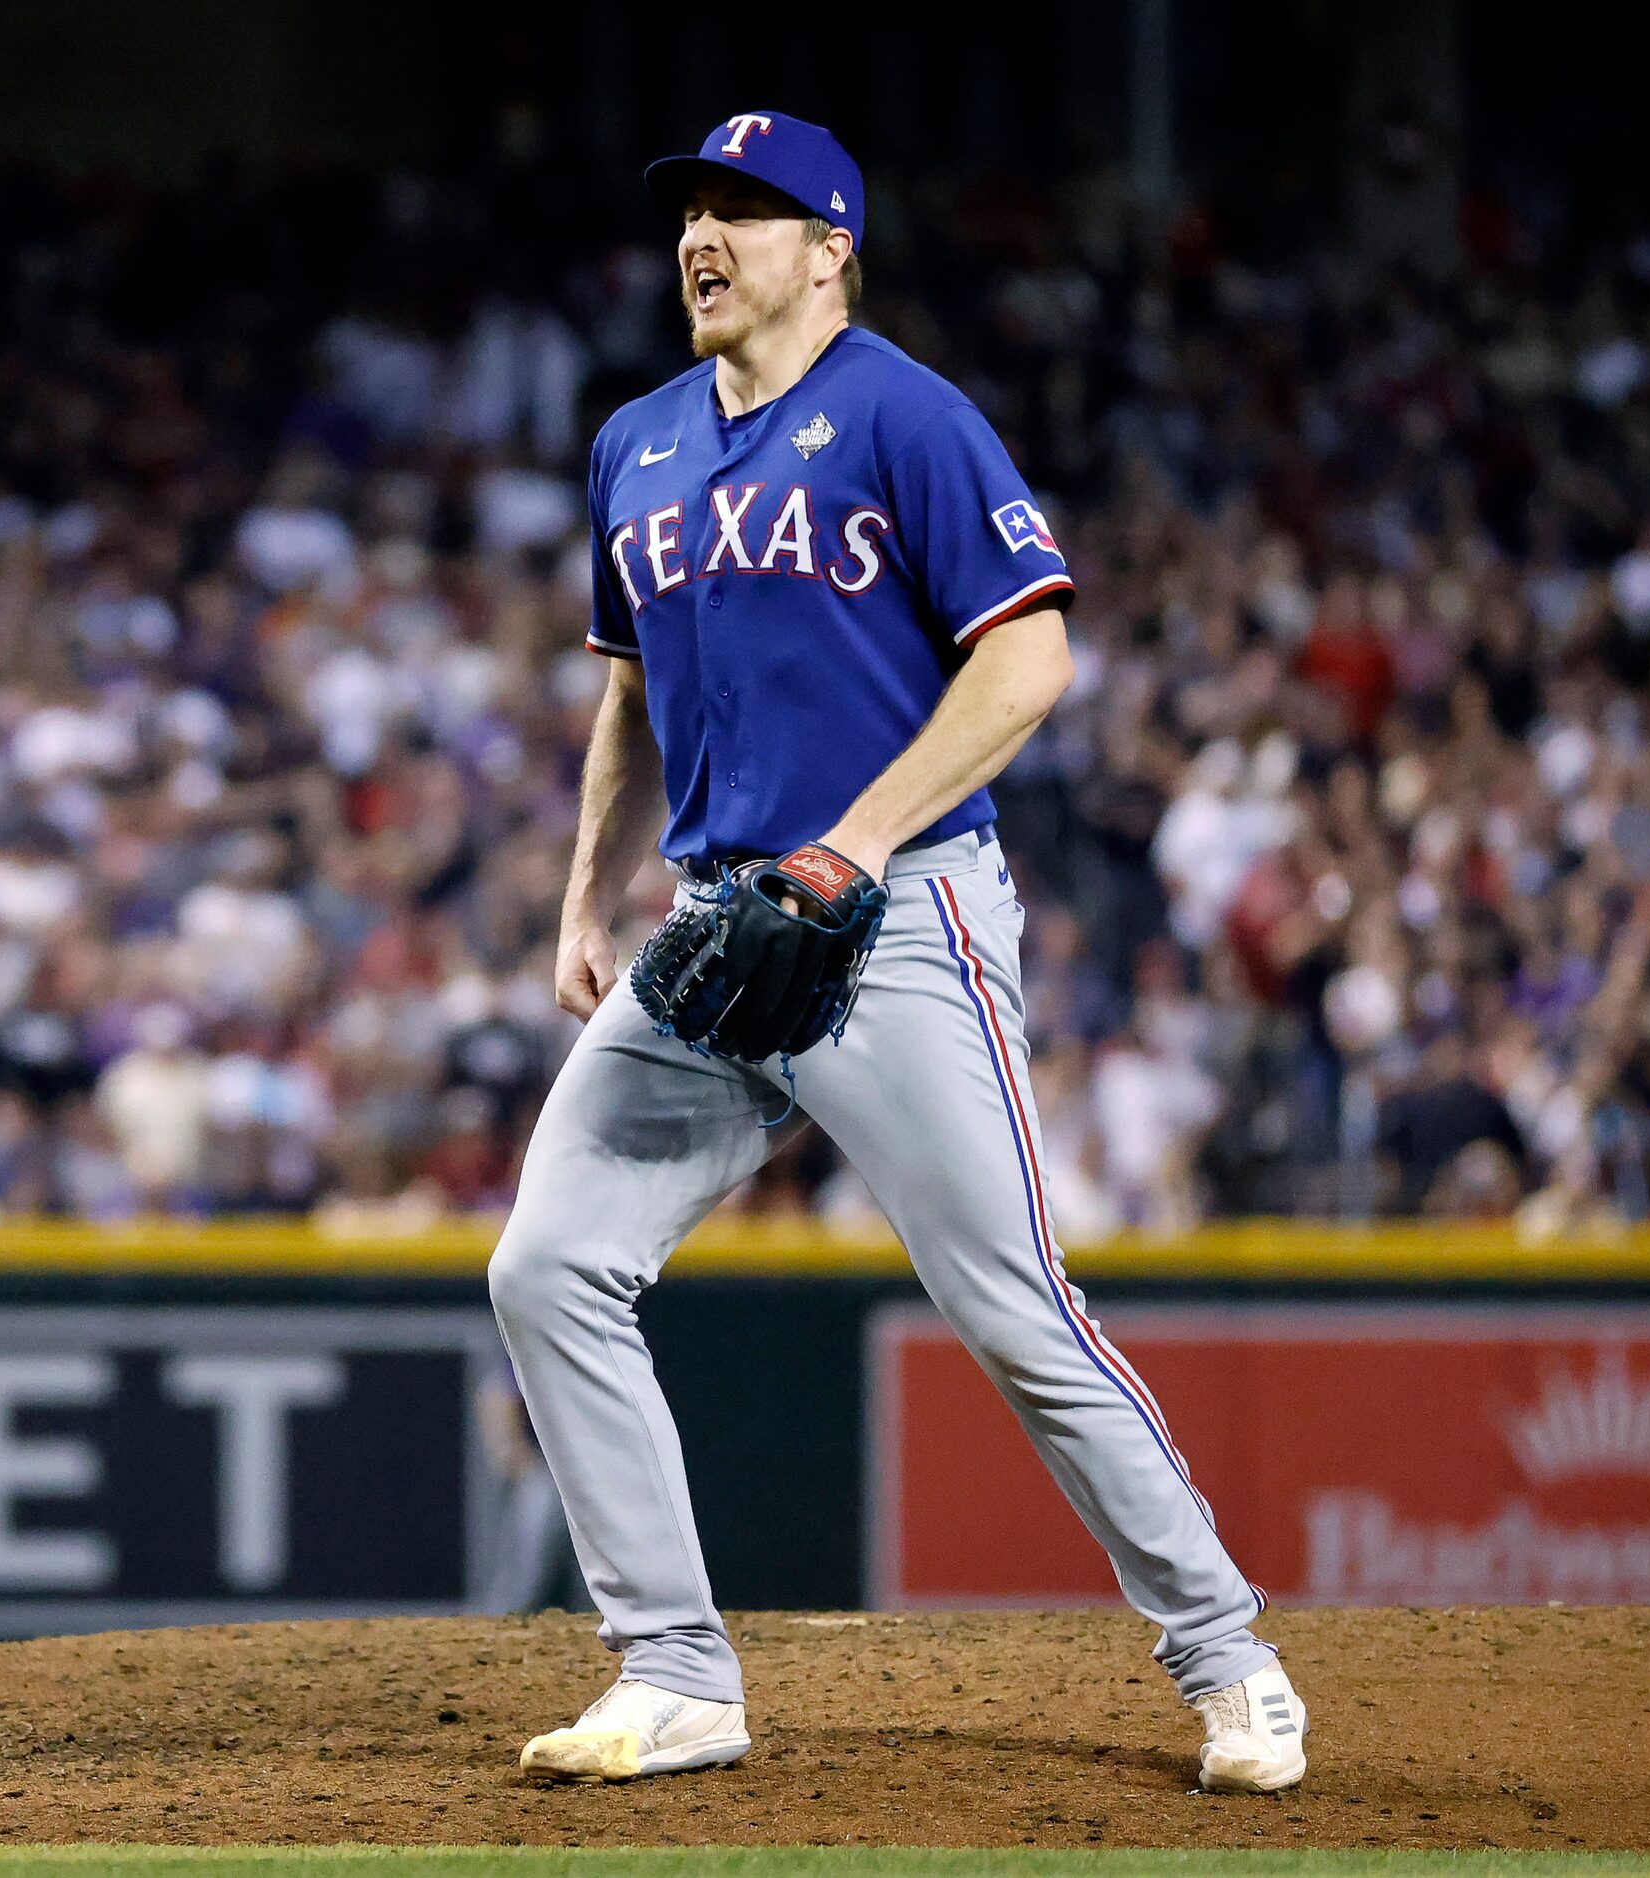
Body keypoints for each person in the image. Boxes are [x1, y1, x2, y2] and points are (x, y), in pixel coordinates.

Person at [486, 112, 1306, 1794]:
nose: (703, 237)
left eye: (747, 211)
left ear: (829, 246)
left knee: (1007, 1303)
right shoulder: (636, 442)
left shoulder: (906, 416)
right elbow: (630, 692)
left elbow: (1029, 661)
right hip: (714, 926)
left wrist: (851, 843)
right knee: (546, 1262)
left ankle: (1229, 1660)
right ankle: (674, 1669)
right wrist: (583, 896)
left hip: (900, 908)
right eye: (692, 211)